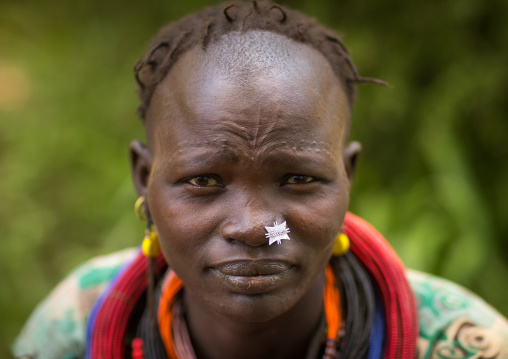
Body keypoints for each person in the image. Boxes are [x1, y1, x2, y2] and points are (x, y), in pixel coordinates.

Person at [12, 1, 508, 358]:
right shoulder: (74, 327)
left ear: (347, 176)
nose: (253, 228)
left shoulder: (464, 342)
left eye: (298, 178)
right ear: (145, 178)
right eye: (204, 180)